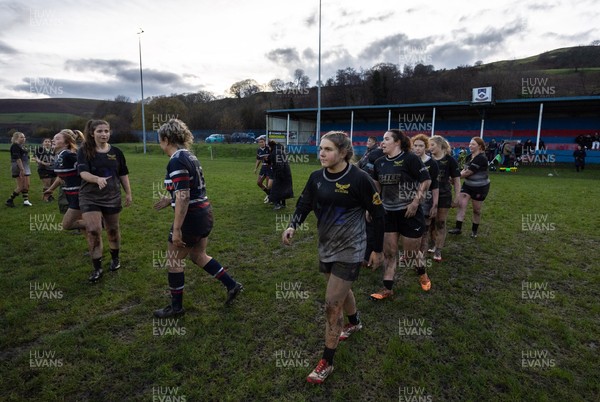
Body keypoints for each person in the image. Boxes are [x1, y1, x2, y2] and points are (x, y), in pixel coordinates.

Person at [282, 131, 384, 384]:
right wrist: (293, 224)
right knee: (339, 290)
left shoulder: (360, 179)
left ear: (343, 152)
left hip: (351, 249)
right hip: (326, 246)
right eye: (320, 149)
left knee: (331, 304)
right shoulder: (316, 177)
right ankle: (355, 322)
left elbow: (378, 213)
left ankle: (327, 361)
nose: (322, 154)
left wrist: (377, 249)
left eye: (327, 149)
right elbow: (304, 203)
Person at [153, 119, 243, 317]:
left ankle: (176, 308)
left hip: (191, 218)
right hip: (204, 213)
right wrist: (170, 200)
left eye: (159, 139)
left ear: (166, 139)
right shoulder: (189, 156)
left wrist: (177, 229)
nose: (159, 143)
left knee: (174, 261)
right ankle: (232, 284)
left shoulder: (176, 159)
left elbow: (184, 195)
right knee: (198, 255)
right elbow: (189, 189)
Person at [370, 129, 432, 300]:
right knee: (390, 253)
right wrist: (373, 208)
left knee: (411, 254)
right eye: (382, 139)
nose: (382, 142)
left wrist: (415, 203)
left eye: (386, 139)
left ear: (397, 142)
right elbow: (376, 188)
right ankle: (387, 289)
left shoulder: (410, 158)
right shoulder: (379, 162)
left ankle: (422, 272)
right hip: (388, 213)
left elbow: (426, 180)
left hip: (409, 212)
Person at [77, 119, 132, 282]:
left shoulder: (117, 152)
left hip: (112, 196)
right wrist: (96, 179)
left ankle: (115, 258)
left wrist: (128, 193)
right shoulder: (84, 151)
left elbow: (123, 173)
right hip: (90, 196)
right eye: (100, 131)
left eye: (106, 131)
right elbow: (83, 173)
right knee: (93, 230)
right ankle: (97, 268)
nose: (103, 134)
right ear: (92, 133)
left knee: (113, 229)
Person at [43, 130, 86, 233]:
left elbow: (85, 170)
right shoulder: (59, 155)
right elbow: (61, 177)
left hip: (78, 194)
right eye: (53, 138)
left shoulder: (69, 155)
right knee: (83, 225)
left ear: (66, 143)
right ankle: (93, 248)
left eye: (57, 139)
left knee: (67, 225)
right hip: (70, 194)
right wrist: (50, 190)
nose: (53, 140)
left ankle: (99, 222)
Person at [449, 137, 491, 238]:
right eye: (470, 144)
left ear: (480, 146)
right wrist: (456, 178)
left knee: (476, 210)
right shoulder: (469, 157)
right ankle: (458, 228)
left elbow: (468, 172)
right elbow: (464, 170)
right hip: (468, 185)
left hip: (480, 187)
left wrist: (454, 179)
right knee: (461, 204)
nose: (470, 146)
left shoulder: (481, 158)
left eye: (473, 144)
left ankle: (474, 231)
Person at [428, 135, 461, 262]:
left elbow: (457, 181)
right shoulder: (427, 160)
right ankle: (432, 243)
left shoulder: (450, 160)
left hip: (444, 195)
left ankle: (438, 249)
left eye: (432, 145)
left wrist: (457, 197)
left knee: (440, 222)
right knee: (430, 222)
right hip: (428, 196)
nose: (429, 148)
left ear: (441, 146)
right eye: (429, 145)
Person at [357, 136, 384, 265]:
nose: (384, 143)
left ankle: (373, 254)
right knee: (368, 225)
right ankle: (367, 254)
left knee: (374, 225)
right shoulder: (372, 154)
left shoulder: (402, 159)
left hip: (382, 198)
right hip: (369, 194)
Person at [411, 135, 439, 257]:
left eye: (421, 146)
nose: (417, 148)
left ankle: (420, 254)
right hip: (409, 198)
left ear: (426, 147)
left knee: (424, 230)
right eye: (415, 146)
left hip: (426, 201)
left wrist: (435, 204)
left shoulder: (432, 163)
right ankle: (409, 253)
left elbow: (435, 185)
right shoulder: (409, 161)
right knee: (410, 228)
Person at [6, 131, 32, 207]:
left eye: (24, 137)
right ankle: (9, 200)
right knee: (21, 186)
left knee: (27, 185)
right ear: (16, 138)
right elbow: (18, 159)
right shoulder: (15, 146)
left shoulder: (21, 146)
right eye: (21, 137)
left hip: (25, 166)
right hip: (19, 166)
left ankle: (26, 201)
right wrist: (22, 169)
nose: (24, 138)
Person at [268, 139, 293, 210]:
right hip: (286, 172)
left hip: (280, 173)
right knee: (283, 188)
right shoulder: (281, 151)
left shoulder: (275, 152)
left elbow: (279, 164)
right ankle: (283, 204)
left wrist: (278, 173)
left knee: (275, 189)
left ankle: (277, 204)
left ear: (271, 146)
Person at [34, 137, 57, 202]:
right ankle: (45, 197)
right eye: (45, 141)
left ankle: (50, 196)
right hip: (43, 169)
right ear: (42, 143)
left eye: (48, 142)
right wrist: (42, 162)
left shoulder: (53, 150)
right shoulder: (40, 149)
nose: (47, 143)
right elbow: (34, 158)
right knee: (47, 184)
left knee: (52, 184)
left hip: (53, 169)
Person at [253, 135, 271, 203]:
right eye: (260, 142)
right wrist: (255, 168)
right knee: (259, 182)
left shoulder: (268, 148)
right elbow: (258, 160)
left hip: (269, 167)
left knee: (268, 183)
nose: (261, 143)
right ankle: (269, 194)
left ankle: (270, 197)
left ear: (265, 142)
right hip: (263, 167)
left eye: (262, 142)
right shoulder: (259, 150)